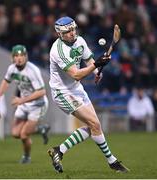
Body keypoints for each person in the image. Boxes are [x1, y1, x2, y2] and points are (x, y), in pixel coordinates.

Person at [47, 16, 129, 173]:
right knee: (95, 124)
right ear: (60, 34)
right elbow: (76, 74)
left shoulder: (80, 40)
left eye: (73, 29)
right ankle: (112, 162)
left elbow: (90, 61)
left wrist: (98, 70)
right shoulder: (58, 51)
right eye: (67, 32)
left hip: (76, 89)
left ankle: (59, 150)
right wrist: (97, 65)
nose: (72, 33)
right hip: (62, 92)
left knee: (94, 126)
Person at [0, 44, 50, 163]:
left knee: (24, 135)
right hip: (24, 104)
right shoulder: (12, 68)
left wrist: (21, 100)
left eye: (22, 55)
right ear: (12, 57)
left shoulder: (32, 70)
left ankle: (26, 157)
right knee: (15, 133)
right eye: (16, 56)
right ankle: (40, 129)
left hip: (37, 105)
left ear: (26, 57)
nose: (19, 58)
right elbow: (6, 81)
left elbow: (42, 92)